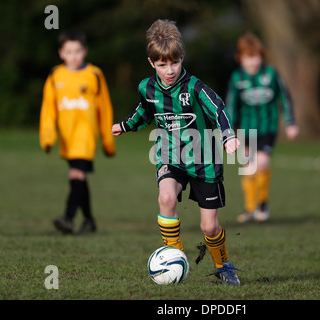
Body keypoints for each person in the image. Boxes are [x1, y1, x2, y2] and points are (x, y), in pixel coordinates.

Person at [111, 19, 241, 285]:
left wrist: (228, 137)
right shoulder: (146, 88)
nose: (169, 70)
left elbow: (218, 109)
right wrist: (125, 126)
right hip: (170, 156)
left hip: (205, 160)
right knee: (166, 198)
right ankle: (176, 255)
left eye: (175, 62)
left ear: (182, 57)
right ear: (151, 63)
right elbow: (143, 113)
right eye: (162, 65)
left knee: (209, 227)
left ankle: (223, 265)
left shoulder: (194, 87)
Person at [40, 30, 116, 235]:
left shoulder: (94, 74)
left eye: (78, 51)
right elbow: (48, 109)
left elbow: (105, 109)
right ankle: (89, 220)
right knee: (79, 179)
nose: (74, 56)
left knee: (76, 174)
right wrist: (47, 136)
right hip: (67, 136)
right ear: (61, 53)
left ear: (85, 51)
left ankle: (68, 218)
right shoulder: (56, 75)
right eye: (69, 51)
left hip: (86, 135)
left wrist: (108, 142)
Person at [225, 32, 299, 223]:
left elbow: (285, 98)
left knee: (262, 163)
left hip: (268, 129)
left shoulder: (271, 74)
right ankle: (250, 209)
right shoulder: (236, 78)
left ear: (262, 56)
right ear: (240, 58)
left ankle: (263, 205)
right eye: (248, 57)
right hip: (247, 130)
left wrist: (290, 123)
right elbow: (231, 106)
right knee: (248, 168)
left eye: (256, 56)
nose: (253, 61)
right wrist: (228, 132)